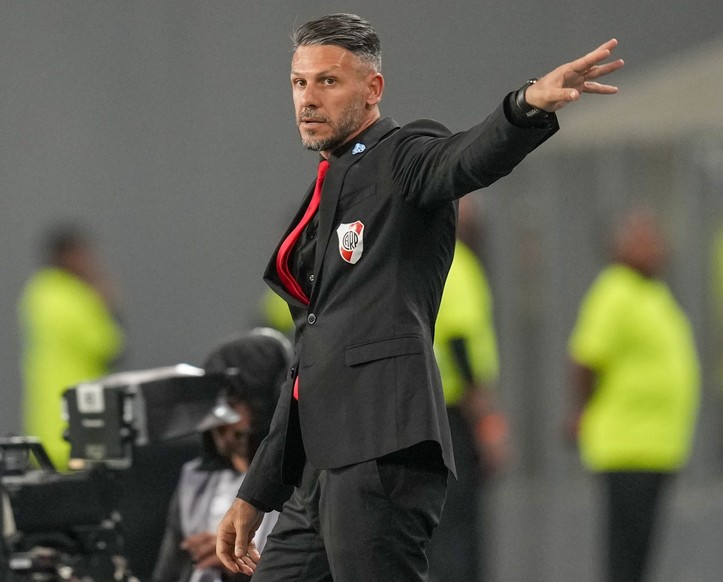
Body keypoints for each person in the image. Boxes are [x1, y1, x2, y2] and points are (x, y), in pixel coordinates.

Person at [216, 13, 623, 581]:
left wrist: (528, 104)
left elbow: (466, 157)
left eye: (328, 81)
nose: (308, 97)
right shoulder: (327, 188)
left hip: (381, 451)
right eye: (299, 82)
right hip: (319, 466)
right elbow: (309, 362)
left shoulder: (402, 157)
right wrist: (257, 491)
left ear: (373, 88)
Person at [565, 208, 701, 582]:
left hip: (655, 447)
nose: (655, 247)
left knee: (640, 556)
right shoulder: (615, 290)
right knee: (625, 558)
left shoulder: (653, 294)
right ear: (620, 245)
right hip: (627, 446)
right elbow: (585, 359)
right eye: (642, 239)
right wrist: (581, 412)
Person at [153, 328, 291, 582]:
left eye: (232, 399)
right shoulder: (195, 484)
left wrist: (236, 565)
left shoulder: (302, 485)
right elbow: (167, 575)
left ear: (267, 402)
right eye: (212, 400)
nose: (218, 418)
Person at [429, 197, 509, 582]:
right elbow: (460, 345)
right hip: (453, 415)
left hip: (429, 413)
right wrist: (488, 425)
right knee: (457, 529)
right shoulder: (457, 262)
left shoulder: (426, 256)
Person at [18, 223, 125, 470]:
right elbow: (109, 346)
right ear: (68, 256)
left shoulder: (37, 292)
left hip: (45, 420)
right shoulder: (76, 296)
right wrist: (107, 305)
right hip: (82, 418)